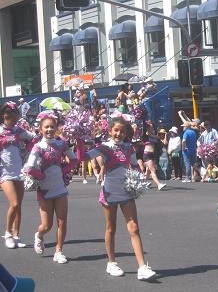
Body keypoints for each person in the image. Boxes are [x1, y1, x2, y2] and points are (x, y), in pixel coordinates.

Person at [77, 116, 156, 280]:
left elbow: (134, 165)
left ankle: (142, 267)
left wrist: (139, 176)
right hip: (110, 192)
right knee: (110, 228)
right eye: (116, 130)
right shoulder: (104, 147)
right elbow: (83, 157)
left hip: (126, 191)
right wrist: (78, 139)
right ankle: (111, 263)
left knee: (134, 228)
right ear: (110, 131)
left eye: (122, 131)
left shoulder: (129, 148)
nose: (119, 133)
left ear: (126, 132)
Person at [24, 111, 78, 263]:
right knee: (47, 225)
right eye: (46, 127)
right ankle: (39, 235)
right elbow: (29, 168)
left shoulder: (61, 144)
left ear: (56, 128)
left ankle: (58, 251)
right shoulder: (38, 147)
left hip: (60, 189)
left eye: (52, 127)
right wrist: (41, 176)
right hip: (45, 190)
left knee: (62, 221)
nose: (49, 130)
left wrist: (64, 171)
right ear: (41, 129)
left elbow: (73, 160)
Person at [0, 102, 35, 249]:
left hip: (19, 171)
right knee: (14, 203)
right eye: (11, 118)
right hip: (4, 173)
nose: (14, 121)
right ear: (4, 116)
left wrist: (26, 150)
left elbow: (34, 138)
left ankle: (16, 235)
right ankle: (8, 233)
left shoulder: (19, 131)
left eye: (16, 118)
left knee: (18, 206)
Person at [142, 121, 166, 190]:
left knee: (148, 171)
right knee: (153, 170)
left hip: (153, 155)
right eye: (149, 127)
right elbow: (143, 127)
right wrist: (145, 121)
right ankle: (159, 184)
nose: (151, 128)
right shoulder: (145, 136)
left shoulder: (155, 137)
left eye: (152, 127)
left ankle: (143, 183)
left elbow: (161, 144)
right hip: (147, 155)